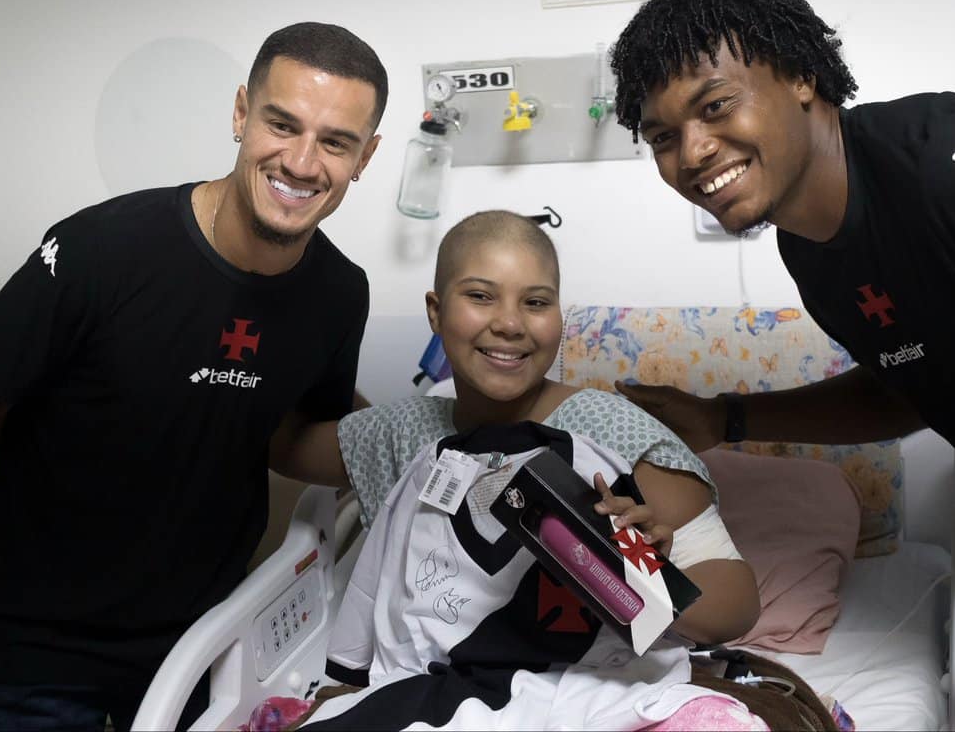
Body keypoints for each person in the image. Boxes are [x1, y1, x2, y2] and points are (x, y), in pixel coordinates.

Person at [0, 21, 386, 732]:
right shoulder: (103, 251)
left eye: (335, 142)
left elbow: (290, 436)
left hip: (197, 647)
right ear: (241, 113)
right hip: (31, 652)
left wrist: (422, 435)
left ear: (364, 156)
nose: (303, 162)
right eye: (283, 124)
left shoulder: (339, 293)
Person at [607, 0, 955, 519]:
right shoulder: (810, 252)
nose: (692, 151)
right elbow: (911, 384)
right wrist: (723, 419)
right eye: (663, 138)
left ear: (800, 77)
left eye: (716, 106)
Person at [293, 210, 763, 730]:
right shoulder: (401, 432)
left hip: (590, 694)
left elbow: (735, 609)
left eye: (535, 302)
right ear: (435, 310)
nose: (510, 324)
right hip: (445, 698)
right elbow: (272, 440)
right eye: (480, 295)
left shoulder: (610, 435)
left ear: (559, 316)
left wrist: (646, 574)